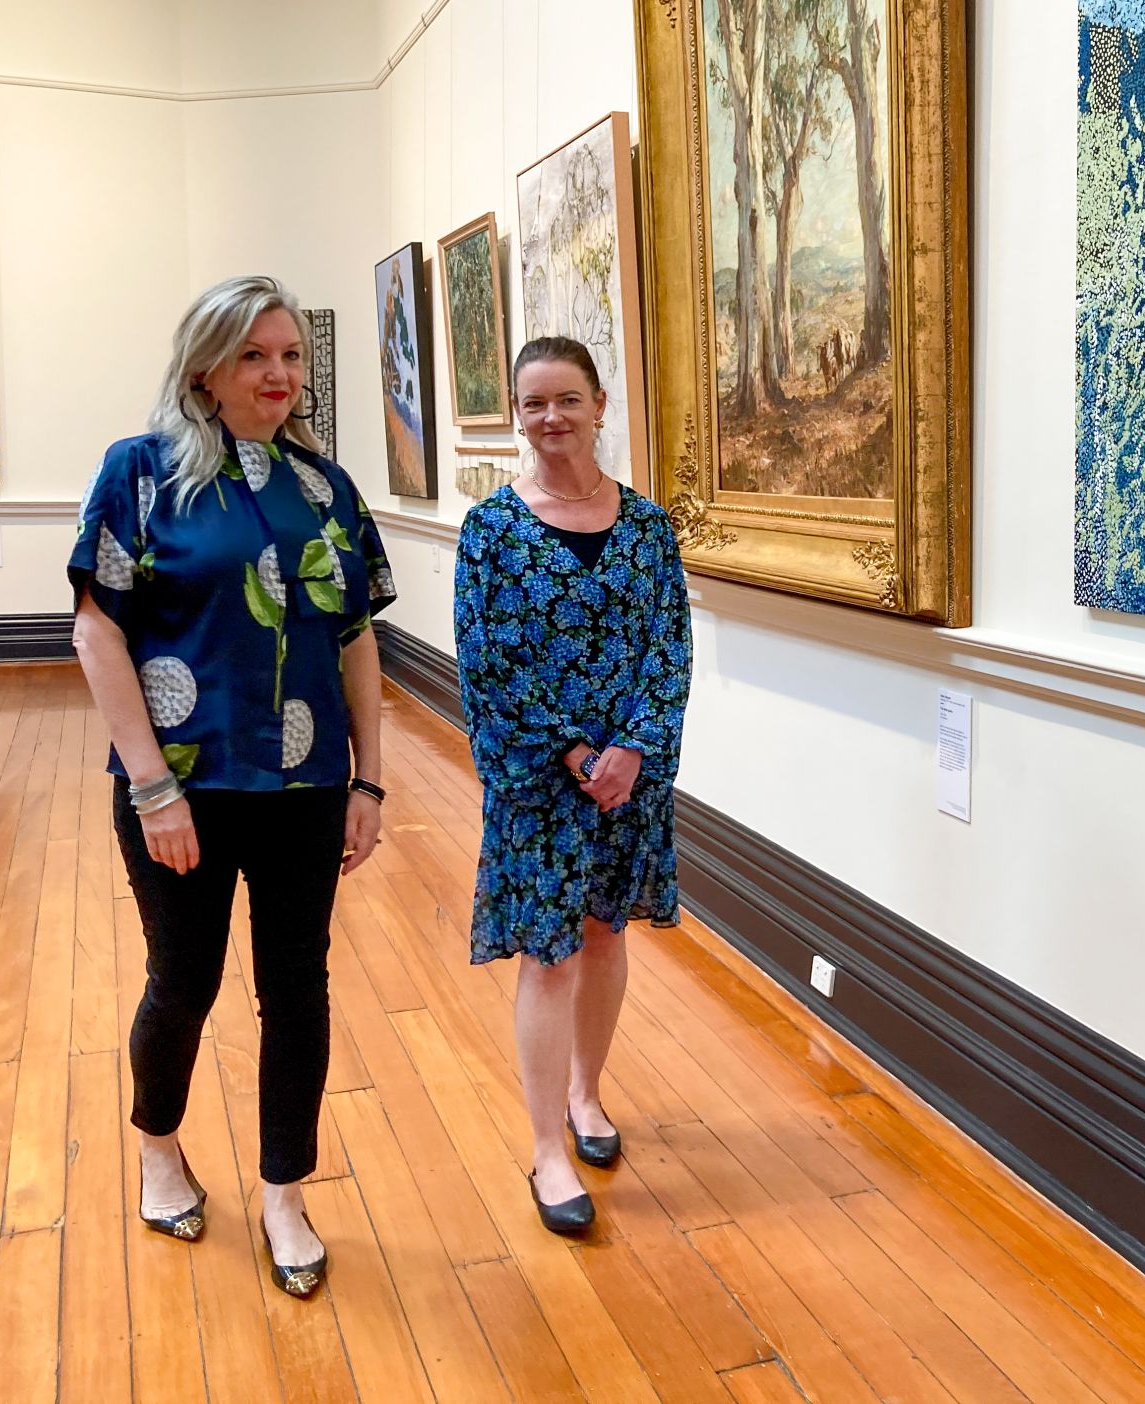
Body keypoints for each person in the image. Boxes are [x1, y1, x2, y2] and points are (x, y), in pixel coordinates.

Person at [69, 275, 396, 1299]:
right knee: (186, 982)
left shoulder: (324, 489)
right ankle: (157, 1146)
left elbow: (353, 640)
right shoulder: (141, 474)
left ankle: (285, 1191)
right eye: (255, 355)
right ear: (204, 368)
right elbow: (98, 632)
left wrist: (371, 782)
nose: (279, 375)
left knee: (298, 990)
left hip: (304, 784)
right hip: (187, 790)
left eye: (291, 355)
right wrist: (151, 787)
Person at [454, 336, 693, 1235]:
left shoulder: (648, 528)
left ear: (600, 403)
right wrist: (572, 756)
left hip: (628, 782)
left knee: (604, 936)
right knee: (549, 956)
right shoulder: (492, 532)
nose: (550, 419)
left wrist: (630, 750)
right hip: (539, 782)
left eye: (566, 400)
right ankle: (546, 1145)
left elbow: (669, 648)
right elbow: (488, 664)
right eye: (533, 404)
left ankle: (588, 1097)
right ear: (518, 415)